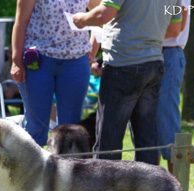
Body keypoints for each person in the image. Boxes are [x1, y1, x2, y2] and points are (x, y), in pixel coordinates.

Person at [73, 0, 183, 165]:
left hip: (122, 63)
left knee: (108, 141)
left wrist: (80, 19)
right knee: (147, 140)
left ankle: (104, 190)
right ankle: (148, 189)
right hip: (154, 64)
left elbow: (103, 14)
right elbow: (174, 29)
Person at [10, 0, 101, 146]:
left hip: (75, 61)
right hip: (38, 61)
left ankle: (67, 167)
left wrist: (93, 49)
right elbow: (21, 21)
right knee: (36, 126)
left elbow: (100, 16)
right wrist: (16, 61)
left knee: (71, 129)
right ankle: (33, 167)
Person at [155, 0, 191, 173]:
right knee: (144, 130)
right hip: (143, 51)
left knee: (167, 126)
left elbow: (177, 27)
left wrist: (135, 35)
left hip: (168, 53)